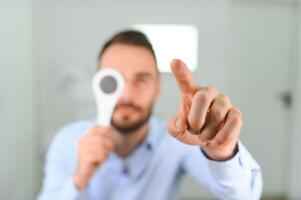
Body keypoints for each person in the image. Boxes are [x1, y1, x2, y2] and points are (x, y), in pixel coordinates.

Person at [37, 30, 262, 200]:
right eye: (113, 80)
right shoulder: (67, 141)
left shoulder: (177, 140)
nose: (126, 94)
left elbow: (245, 195)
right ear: (97, 85)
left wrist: (223, 153)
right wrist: (79, 180)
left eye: (141, 79)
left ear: (158, 88)